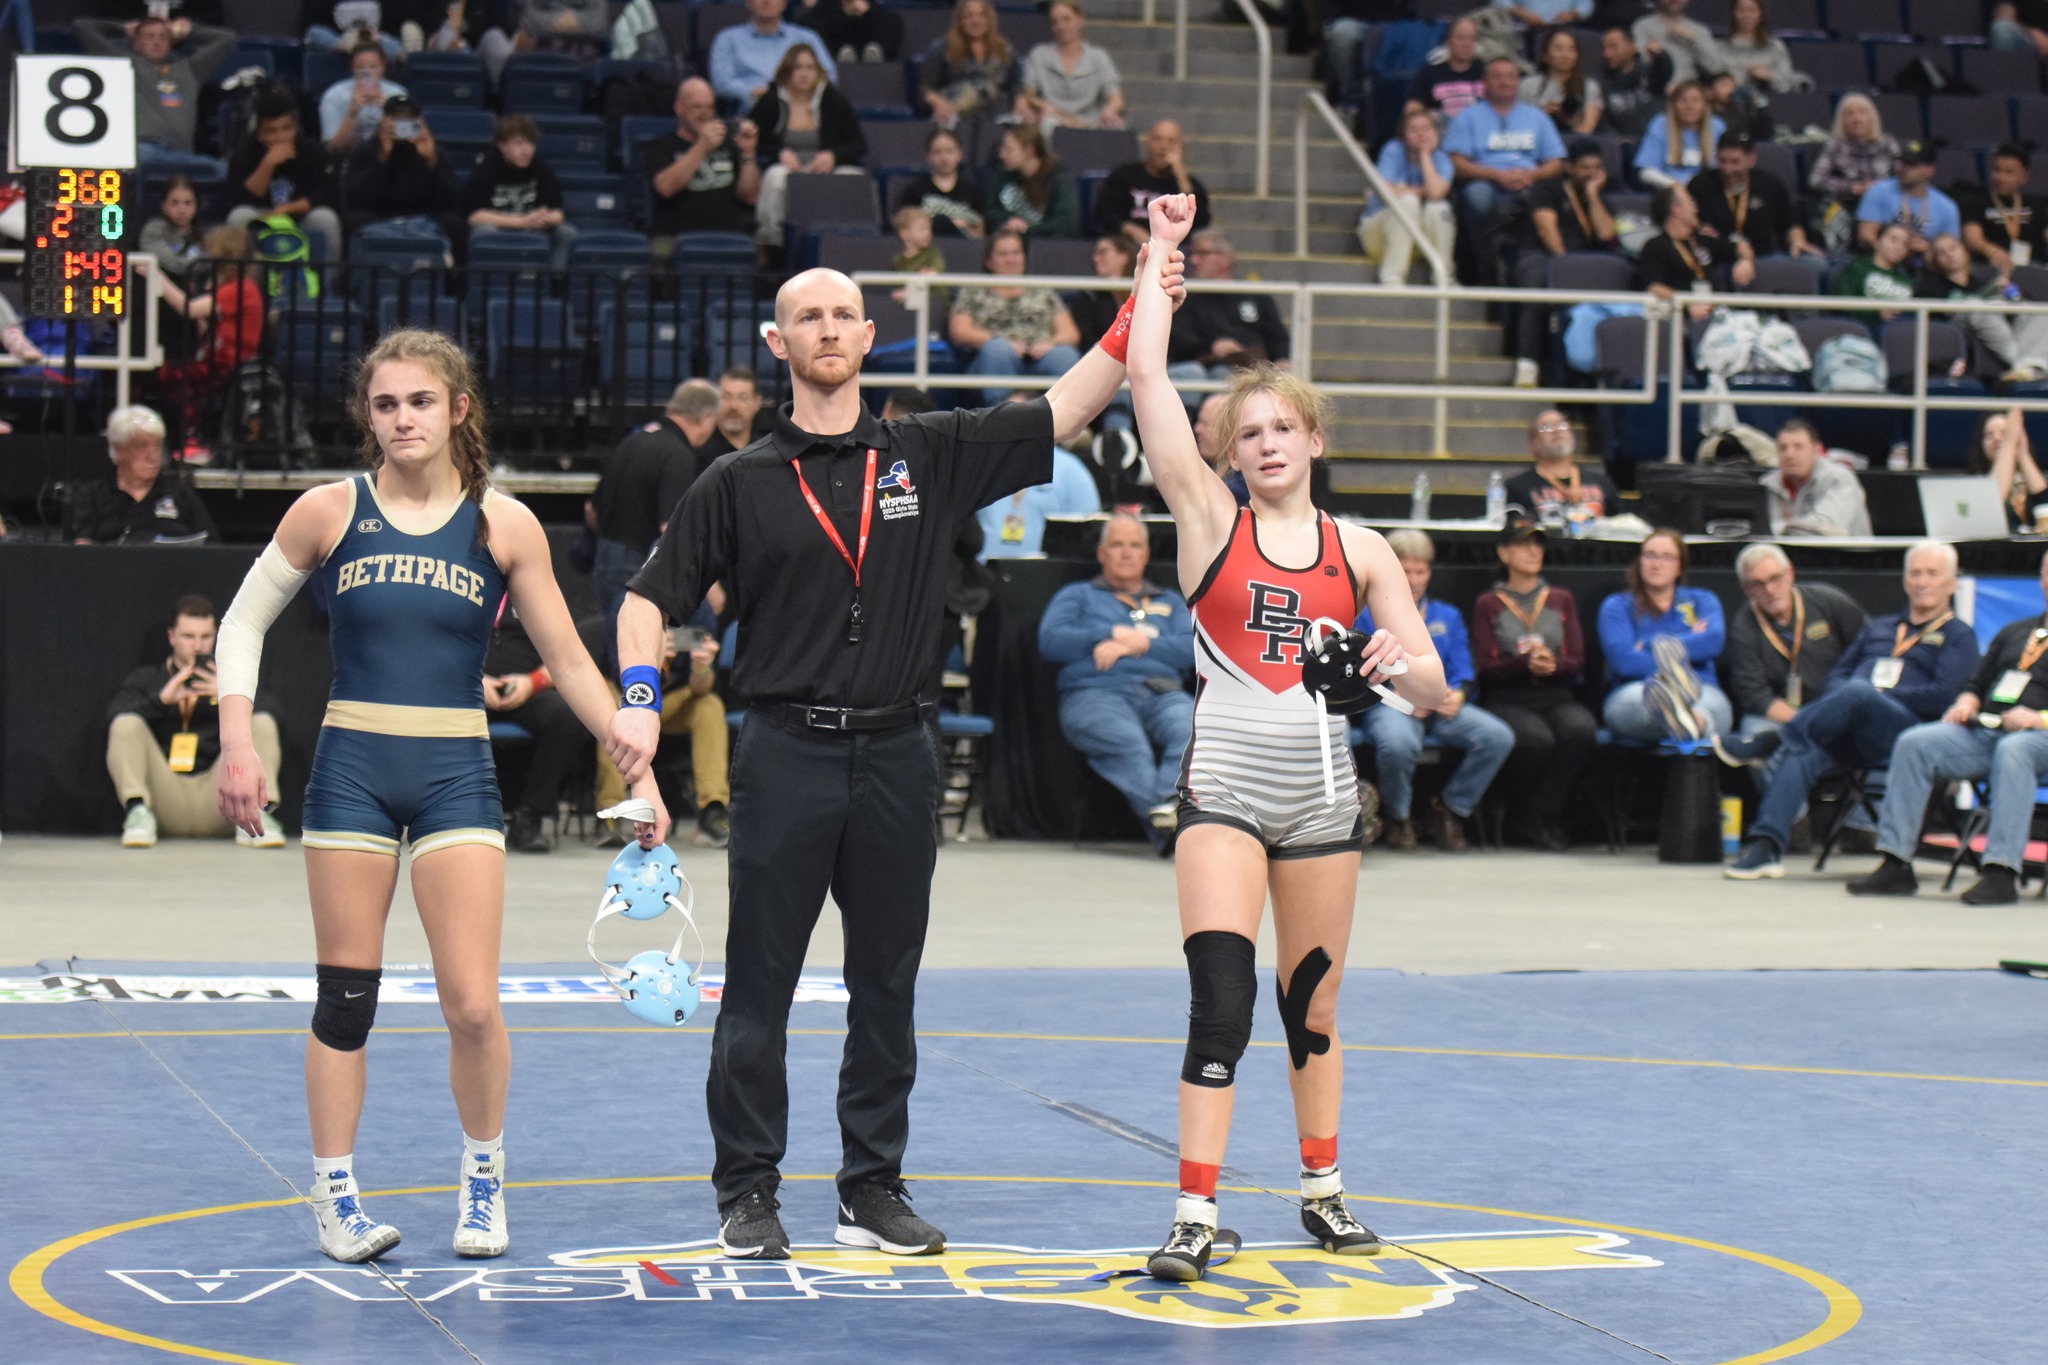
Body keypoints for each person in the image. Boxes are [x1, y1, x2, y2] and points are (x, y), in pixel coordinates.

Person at [608, 234, 1189, 1258]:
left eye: (843, 315)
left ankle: (869, 1188)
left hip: (897, 753)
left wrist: (1143, 293)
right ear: (777, 340)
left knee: (886, 982)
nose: (827, 329)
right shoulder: (735, 482)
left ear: (869, 337)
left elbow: (1068, 403)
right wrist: (643, 701)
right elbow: (645, 600)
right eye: (808, 316)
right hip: (785, 752)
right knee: (761, 981)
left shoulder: (929, 449)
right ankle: (747, 1190)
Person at [211, 328, 667, 1266]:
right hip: (351, 774)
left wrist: (639, 770)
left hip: (455, 771)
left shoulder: (504, 525)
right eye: (384, 405)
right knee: (347, 996)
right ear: (366, 417)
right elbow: (243, 620)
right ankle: (335, 1196)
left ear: (458, 409)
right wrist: (235, 741)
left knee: (470, 1002)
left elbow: (569, 661)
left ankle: (484, 1178)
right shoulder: (329, 510)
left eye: (420, 401)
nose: (402, 419)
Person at [1123, 192, 1445, 1282]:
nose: (1261, 444)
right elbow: (1143, 384)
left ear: (1312, 439)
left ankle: (1321, 1191)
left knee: (1309, 1005)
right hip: (1223, 794)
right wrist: (1159, 258)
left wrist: (1391, 670)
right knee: (1219, 1000)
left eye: (1278, 428)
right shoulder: (1207, 525)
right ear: (1225, 452)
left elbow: (1434, 684)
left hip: (1319, 802)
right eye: (1243, 433)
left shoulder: (1360, 550)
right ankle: (1194, 1213)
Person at [1721, 541, 1977, 881]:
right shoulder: (1881, 628)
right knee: (1807, 748)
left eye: (1932, 574)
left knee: (1857, 693)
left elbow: (1943, 695)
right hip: (1857, 727)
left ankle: (1776, 740)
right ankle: (1765, 847)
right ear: (1904, 581)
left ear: (1951, 583)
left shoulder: (1958, 635)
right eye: (1915, 573)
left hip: (1909, 733)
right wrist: (1856, 698)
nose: (1922, 582)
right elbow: (1837, 675)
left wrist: (1880, 695)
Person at [1844, 551, 2048, 905]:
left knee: (2015, 750)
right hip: (1991, 730)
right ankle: (1896, 862)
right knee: (1915, 742)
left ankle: (2001, 871)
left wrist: (2039, 718)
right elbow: (1976, 681)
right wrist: (1967, 701)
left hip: (2037, 737)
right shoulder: (2018, 631)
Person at [1038, 513, 1192, 846]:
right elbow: (1050, 641)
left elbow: (1192, 651)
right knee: (1129, 745)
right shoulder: (1077, 596)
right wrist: (1107, 633)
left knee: (1195, 729)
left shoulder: (1170, 601)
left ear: (1147, 554)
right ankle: (1175, 829)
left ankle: (1167, 808)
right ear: (1101, 553)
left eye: (1135, 545)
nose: (1126, 553)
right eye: (1117, 545)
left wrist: (1142, 644)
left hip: (1162, 692)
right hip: (1096, 692)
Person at [1356, 529, 1514, 851]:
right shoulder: (1365, 614)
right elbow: (1360, 672)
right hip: (1390, 704)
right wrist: (1402, 696)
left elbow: (1462, 669)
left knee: (1497, 737)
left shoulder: (1448, 615)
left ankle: (1449, 809)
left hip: (1440, 704)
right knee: (1398, 743)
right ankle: (1398, 818)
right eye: (1405, 571)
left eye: (1421, 571)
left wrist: (1457, 695)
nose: (1413, 579)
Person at [107, 594, 285, 850]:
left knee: (262, 722)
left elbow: (276, 716)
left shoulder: (232, 682)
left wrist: (229, 697)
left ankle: (258, 816)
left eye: (205, 637)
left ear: (216, 636)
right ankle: (137, 816)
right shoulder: (150, 678)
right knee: (126, 724)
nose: (197, 646)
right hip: (164, 797)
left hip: (221, 799)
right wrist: (161, 701)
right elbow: (113, 718)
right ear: (172, 637)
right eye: (188, 637)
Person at [1472, 519, 1594, 849]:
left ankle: (1540, 812)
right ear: (1504, 552)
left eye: (1538, 544)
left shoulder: (1560, 598)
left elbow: (1577, 658)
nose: (1533, 551)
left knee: (1580, 729)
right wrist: (1523, 664)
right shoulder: (1489, 603)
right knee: (1534, 739)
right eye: (1523, 544)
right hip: (1507, 695)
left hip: (1556, 691)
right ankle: (1524, 814)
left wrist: (1553, 665)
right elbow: (1485, 666)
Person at [591, 380, 723, 638]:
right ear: (706, 417)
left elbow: (591, 510)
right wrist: (710, 587)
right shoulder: (678, 454)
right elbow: (672, 532)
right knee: (643, 644)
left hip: (604, 559)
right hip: (638, 566)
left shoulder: (634, 440)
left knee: (617, 646)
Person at [593, 616, 731, 849]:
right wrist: (652, 661)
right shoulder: (625, 606)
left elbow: (701, 689)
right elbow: (617, 675)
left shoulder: (701, 608)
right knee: (610, 706)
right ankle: (610, 811)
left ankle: (713, 809)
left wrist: (701, 668)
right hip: (629, 698)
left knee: (710, 705)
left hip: (673, 702)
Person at [138, 225, 267, 464]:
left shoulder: (240, 289)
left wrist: (158, 277)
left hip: (229, 365)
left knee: (175, 376)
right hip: (218, 359)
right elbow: (213, 325)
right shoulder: (232, 289)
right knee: (164, 373)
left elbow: (189, 308)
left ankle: (193, 439)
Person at [1721, 542, 1865, 740]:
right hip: (1782, 716)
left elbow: (1867, 647)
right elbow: (1755, 696)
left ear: (1790, 573)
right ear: (1746, 589)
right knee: (1757, 733)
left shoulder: (1828, 600)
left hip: (1838, 704)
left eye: (1775, 578)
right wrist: (1804, 720)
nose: (1770, 590)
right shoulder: (1743, 627)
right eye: (1758, 584)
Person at [1598, 529, 1732, 741]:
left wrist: (1650, 644)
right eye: (1650, 555)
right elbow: (1624, 662)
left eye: (1666, 557)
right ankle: (1679, 720)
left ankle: (1691, 722)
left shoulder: (1703, 600)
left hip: (1700, 687)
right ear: (1640, 561)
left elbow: (1713, 641)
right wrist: (1687, 646)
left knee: (1712, 709)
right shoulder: (1617, 606)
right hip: (1638, 687)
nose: (1656, 564)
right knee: (1650, 704)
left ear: (1680, 567)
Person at [1444, 56, 1567, 284]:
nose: (1504, 81)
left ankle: (1544, 270)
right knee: (1476, 196)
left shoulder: (1537, 117)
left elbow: (1556, 162)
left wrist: (1532, 175)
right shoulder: (1467, 117)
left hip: (1529, 183)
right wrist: (1496, 175)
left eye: (1510, 76)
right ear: (1485, 82)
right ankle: (1484, 269)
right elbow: (1457, 163)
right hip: (1487, 182)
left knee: (1547, 197)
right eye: (1497, 76)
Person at [483, 603, 594, 854]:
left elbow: (566, 653)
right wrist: (471, 678)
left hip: (527, 690)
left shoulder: (533, 586)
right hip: (468, 687)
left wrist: (533, 682)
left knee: (567, 714)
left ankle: (530, 816)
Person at [1512, 142, 1618, 386]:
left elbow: (1606, 234)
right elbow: (1545, 229)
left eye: (1596, 167)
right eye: (1584, 167)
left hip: (1587, 260)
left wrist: (1592, 196)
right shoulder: (1548, 189)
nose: (1591, 173)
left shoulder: (1601, 196)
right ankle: (1527, 364)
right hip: (1545, 254)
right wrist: (1566, 266)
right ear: (1569, 168)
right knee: (1535, 282)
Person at [74, 14, 236, 174]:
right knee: (143, 154)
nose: (157, 41)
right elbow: (82, 27)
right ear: (136, 44)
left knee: (223, 171)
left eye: (163, 37)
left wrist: (189, 31)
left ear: (171, 43)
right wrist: (122, 29)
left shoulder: (191, 69)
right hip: (143, 150)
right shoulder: (126, 66)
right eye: (149, 36)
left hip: (182, 155)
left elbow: (227, 39)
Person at [747, 45, 867, 250]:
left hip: (824, 169)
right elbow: (753, 140)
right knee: (775, 177)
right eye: (798, 67)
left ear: (818, 71)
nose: (804, 74)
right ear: (787, 71)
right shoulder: (771, 101)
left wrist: (833, 156)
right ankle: (771, 243)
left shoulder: (834, 101)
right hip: (788, 168)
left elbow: (858, 145)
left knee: (854, 176)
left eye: (810, 68)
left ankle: (852, 240)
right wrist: (779, 153)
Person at [949, 230, 1084, 404]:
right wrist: (1002, 342)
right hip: (993, 361)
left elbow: (1071, 333)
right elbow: (960, 331)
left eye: (1016, 253)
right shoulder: (974, 290)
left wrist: (1050, 344)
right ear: (989, 261)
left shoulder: (1042, 290)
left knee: (1065, 354)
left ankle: (1068, 418)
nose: (1011, 259)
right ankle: (1001, 417)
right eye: (1003, 254)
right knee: (997, 349)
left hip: (1038, 358)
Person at [643, 78, 762, 257]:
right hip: (676, 237)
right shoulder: (660, 146)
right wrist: (701, 147)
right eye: (697, 107)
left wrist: (748, 153)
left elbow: (750, 196)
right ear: (679, 108)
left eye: (709, 108)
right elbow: (665, 188)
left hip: (727, 236)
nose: (704, 113)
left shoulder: (729, 144)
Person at [66, 406, 217, 545]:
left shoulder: (181, 495)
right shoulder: (92, 496)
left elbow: (214, 549)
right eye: (142, 446)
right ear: (119, 450)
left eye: (157, 445)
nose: (153, 456)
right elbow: (81, 552)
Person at [226, 87, 344, 265]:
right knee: (238, 216)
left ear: (295, 128)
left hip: (299, 217)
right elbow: (239, 198)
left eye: (286, 129)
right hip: (261, 216)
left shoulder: (312, 151)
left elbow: (327, 194)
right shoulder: (244, 153)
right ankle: (243, 285)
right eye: (272, 131)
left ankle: (328, 285)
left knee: (326, 218)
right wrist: (268, 164)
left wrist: (289, 208)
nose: (281, 137)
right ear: (259, 134)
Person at [1167, 232, 1291, 392]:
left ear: (1225, 259)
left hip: (1253, 367)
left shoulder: (1256, 295)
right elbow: (1177, 341)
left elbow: (1278, 338)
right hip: (1205, 368)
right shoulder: (1186, 295)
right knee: (1215, 374)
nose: (1193, 260)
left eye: (1202, 253)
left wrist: (1282, 359)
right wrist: (1212, 347)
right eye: (1192, 253)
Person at [1918, 234, 2048, 383]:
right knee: (1975, 305)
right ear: (1935, 260)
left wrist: (2009, 294)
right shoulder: (1931, 286)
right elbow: (1950, 311)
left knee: (2038, 311)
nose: (1949, 254)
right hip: (1960, 324)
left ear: (1965, 252)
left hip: (1992, 318)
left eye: (1953, 248)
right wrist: (1991, 290)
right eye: (1941, 252)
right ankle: (2023, 364)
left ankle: (2031, 367)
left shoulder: (1983, 279)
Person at [977, 414, 1101, 556]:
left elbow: (1090, 532)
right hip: (983, 571)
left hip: (1047, 573)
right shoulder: (983, 465)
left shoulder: (1071, 470)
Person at [1688, 130, 1818, 264]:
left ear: (1751, 160)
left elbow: (1790, 221)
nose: (1727, 169)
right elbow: (1684, 223)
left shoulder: (1769, 184)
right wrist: (1696, 229)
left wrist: (1797, 241)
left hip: (1763, 258)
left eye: (1735, 162)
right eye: (1722, 161)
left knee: (1814, 264)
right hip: (1719, 260)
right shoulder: (1700, 185)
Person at [461, 114, 573, 268]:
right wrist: (521, 222)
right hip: (500, 228)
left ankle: (554, 284)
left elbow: (558, 213)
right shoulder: (486, 169)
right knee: (483, 233)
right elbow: (474, 216)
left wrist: (543, 219)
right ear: (502, 146)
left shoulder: (540, 168)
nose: (526, 151)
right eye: (518, 144)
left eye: (530, 144)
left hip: (533, 227)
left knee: (566, 233)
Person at [1360, 108, 1456, 288]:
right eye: (1414, 129)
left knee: (1439, 209)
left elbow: (1435, 193)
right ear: (1404, 135)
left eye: (1426, 128)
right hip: (1379, 234)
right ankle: (1392, 277)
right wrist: (1420, 191)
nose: (1421, 134)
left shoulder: (1441, 157)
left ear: (1435, 133)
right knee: (1407, 202)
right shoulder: (1393, 150)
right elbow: (1384, 191)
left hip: (1417, 241)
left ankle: (1444, 276)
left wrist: (1425, 155)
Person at [343, 98, 459, 238]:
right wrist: (382, 157)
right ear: (384, 121)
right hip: (379, 213)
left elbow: (448, 201)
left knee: (453, 223)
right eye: (396, 119)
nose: (402, 126)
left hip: (423, 215)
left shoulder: (434, 151)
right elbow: (356, 199)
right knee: (355, 221)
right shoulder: (366, 150)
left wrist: (431, 161)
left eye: (408, 119)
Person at [1637, 182, 1754, 320]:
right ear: (1676, 209)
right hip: (1680, 318)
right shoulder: (1655, 246)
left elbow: (1741, 246)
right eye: (1690, 202)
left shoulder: (1703, 240)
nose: (1696, 207)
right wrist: (1685, 305)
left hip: (1716, 313)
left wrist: (1745, 260)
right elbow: (1654, 286)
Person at [1093, 119, 1212, 246]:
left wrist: (1180, 173)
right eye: (1158, 139)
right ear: (1147, 143)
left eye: (1171, 141)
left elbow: (1201, 221)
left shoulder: (1189, 184)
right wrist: (1129, 229)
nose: (1164, 147)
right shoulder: (1124, 176)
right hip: (1128, 246)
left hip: (1173, 250)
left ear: (1181, 147)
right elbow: (1105, 211)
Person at [1018, 1, 1124, 131]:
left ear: (1080, 20)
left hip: (1089, 123)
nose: (1061, 26)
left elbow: (1116, 98)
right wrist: (1042, 106)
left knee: (1117, 127)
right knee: (1046, 124)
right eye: (1055, 22)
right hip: (1050, 118)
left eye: (1066, 20)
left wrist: (1109, 110)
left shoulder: (1099, 57)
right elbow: (1028, 94)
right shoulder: (1039, 55)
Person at [709, 0, 837, 106]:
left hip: (801, 109)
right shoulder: (728, 39)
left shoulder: (807, 38)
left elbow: (829, 76)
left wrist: (797, 92)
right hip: (752, 113)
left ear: (785, 3)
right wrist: (751, 92)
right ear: (748, 2)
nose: (767, 1)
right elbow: (722, 83)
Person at [1503, 409, 1622, 523]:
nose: (1556, 431)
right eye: (1546, 427)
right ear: (1532, 444)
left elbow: (1621, 524)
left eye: (1562, 425)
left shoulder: (1601, 482)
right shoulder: (1516, 487)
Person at [919, 0, 1021, 128]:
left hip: (998, 116)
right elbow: (925, 88)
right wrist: (939, 104)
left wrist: (1021, 103)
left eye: (981, 16)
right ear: (960, 21)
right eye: (969, 16)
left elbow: (1018, 85)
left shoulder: (1004, 49)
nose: (975, 21)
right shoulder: (943, 48)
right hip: (955, 115)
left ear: (989, 19)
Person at [1760, 419, 1871, 537]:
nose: (1789, 455)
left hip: (1843, 554)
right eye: (1783, 448)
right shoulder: (1766, 484)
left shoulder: (1840, 479)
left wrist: (1781, 527)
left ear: (1816, 450)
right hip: (1784, 553)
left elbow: (1826, 528)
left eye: (1798, 447)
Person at [1857, 141, 1959, 258]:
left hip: (1926, 266)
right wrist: (1894, 251)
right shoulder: (1879, 191)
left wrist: (1928, 249)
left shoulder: (1947, 207)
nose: (1904, 168)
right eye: (1902, 162)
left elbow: (1951, 248)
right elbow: (1865, 236)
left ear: (1930, 170)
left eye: (1912, 164)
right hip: (1881, 261)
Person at [1808, 95, 1899, 223]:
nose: (1856, 119)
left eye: (1862, 113)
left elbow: (1903, 177)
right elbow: (1816, 180)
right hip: (1847, 205)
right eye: (1849, 114)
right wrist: (1850, 188)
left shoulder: (1888, 143)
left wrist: (1879, 187)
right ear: (1842, 121)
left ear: (1872, 118)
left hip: (1883, 204)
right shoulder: (1835, 145)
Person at [1960, 145, 2048, 275]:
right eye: (1997, 170)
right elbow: (1972, 237)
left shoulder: (2036, 204)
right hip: (1991, 268)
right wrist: (1991, 251)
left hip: (2034, 268)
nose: (2001, 178)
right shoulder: (1975, 202)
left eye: (2009, 172)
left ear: (2024, 176)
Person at [986, 125, 1082, 239]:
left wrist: (1028, 229)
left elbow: (1066, 224)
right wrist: (1009, 221)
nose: (1002, 154)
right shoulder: (1004, 175)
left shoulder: (1058, 180)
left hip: (1045, 246)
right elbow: (990, 211)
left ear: (1029, 151)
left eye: (1009, 149)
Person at [893, 126, 986, 239]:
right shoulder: (915, 191)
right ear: (928, 156)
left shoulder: (973, 190)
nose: (944, 158)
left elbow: (981, 232)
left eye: (949, 151)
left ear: (960, 154)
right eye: (937, 152)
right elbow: (904, 226)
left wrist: (962, 228)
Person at [321, 39, 408, 153]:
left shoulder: (398, 94)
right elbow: (333, 148)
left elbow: (407, 140)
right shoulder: (333, 96)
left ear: (383, 67)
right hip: (348, 160)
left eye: (373, 67)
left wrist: (389, 109)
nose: (367, 73)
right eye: (361, 68)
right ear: (352, 67)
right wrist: (352, 113)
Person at [1633, 80, 1721, 189]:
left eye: (1696, 100)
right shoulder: (1661, 124)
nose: (1689, 106)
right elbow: (1645, 172)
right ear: (1674, 104)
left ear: (1705, 104)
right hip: (1670, 191)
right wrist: (1675, 186)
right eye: (1683, 101)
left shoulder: (1716, 126)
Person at [1973, 406, 2048, 532]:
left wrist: (2023, 455)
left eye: (2005, 433)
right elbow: (1990, 505)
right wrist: (2008, 445)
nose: (1997, 439)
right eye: (1989, 435)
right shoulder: (1975, 483)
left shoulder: (2035, 479)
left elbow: (2045, 505)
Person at [1521, 29, 1603, 137]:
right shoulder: (1527, 85)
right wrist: (1543, 114)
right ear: (1545, 55)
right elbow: (1519, 127)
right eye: (1558, 49)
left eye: (1571, 49)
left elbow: (1587, 129)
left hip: (1576, 143)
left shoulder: (1589, 86)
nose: (1565, 55)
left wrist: (1565, 119)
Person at [1712, 0, 1805, 95]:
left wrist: (1768, 76)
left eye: (1751, 10)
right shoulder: (1719, 48)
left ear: (1761, 15)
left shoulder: (1775, 47)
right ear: (1733, 14)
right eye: (1741, 10)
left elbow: (1787, 83)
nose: (1746, 15)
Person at [1404, 16, 1486, 123]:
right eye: (1461, 38)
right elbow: (1412, 108)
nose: (1467, 44)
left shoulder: (1487, 72)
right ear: (1448, 42)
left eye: (1471, 39)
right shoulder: (1429, 73)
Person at [1837, 221, 1917, 325]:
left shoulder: (1907, 280)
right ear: (1877, 241)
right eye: (1893, 240)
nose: (1899, 247)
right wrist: (1876, 313)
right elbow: (1843, 303)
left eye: (1905, 244)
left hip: (1903, 327)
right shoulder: (1857, 269)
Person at [1599, 25, 1672, 139]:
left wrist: (1660, 55)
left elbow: (1665, 69)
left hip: (1660, 138)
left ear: (1632, 46)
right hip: (1629, 145)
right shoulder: (1603, 85)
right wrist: (1615, 139)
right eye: (1604, 48)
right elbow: (1605, 123)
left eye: (1613, 47)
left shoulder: (1649, 73)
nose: (1607, 54)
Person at [139, 175, 209, 283]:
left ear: (196, 206)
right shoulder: (153, 231)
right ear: (164, 206)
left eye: (188, 203)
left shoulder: (204, 236)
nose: (182, 210)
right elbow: (176, 265)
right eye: (174, 203)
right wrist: (207, 260)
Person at [1632, 0, 1716, 86]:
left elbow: (1714, 68)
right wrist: (1650, 53)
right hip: (1653, 90)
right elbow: (1634, 65)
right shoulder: (1643, 27)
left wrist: (1693, 41)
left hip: (1686, 92)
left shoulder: (1699, 31)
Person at [801, 0, 904, 65]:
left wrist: (867, 11)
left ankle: (876, 56)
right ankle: (842, 60)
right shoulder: (825, 7)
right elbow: (811, 22)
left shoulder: (874, 9)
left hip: (869, 43)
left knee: (891, 22)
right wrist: (845, 12)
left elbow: (890, 22)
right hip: (836, 49)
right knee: (814, 24)